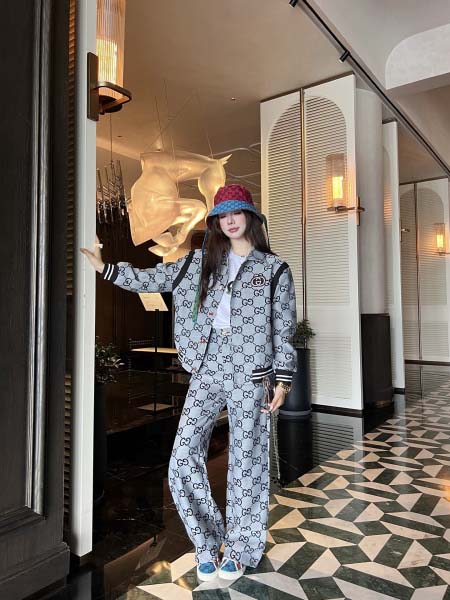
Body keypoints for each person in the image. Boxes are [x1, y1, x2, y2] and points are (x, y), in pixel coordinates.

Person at [80, 184, 297, 582]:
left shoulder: (275, 270)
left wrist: (282, 381)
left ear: (251, 217)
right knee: (182, 457)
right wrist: (104, 267)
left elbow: (283, 330)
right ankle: (207, 540)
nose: (230, 221)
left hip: (251, 373)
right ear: (215, 223)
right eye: (222, 216)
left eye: (236, 213)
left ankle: (241, 548)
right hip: (207, 368)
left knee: (247, 462)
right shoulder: (197, 263)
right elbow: (150, 279)